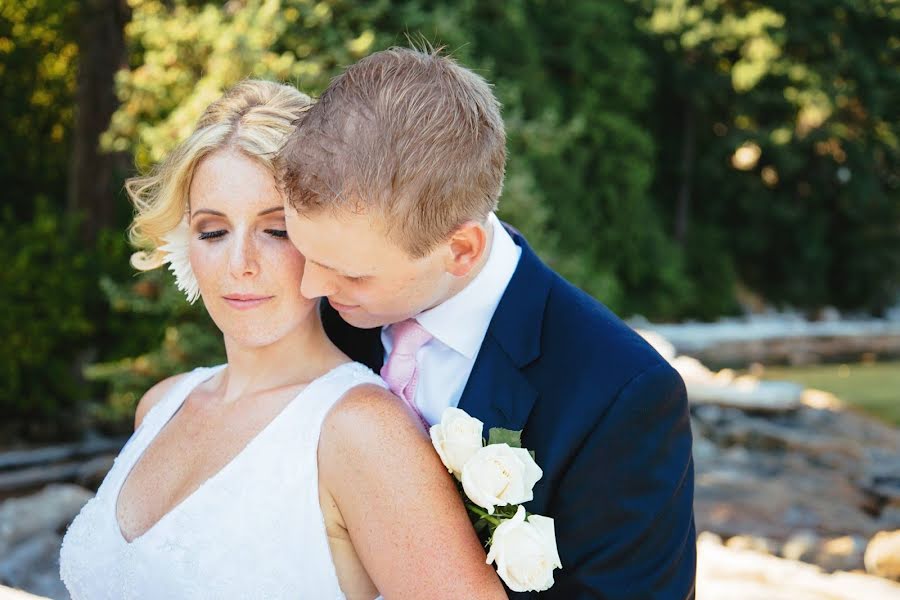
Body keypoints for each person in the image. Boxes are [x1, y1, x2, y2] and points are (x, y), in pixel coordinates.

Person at [58, 79, 506, 600]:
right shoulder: (161, 404)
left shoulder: (359, 430)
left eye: (276, 230)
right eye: (212, 231)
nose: (239, 264)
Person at [278, 48, 697, 599]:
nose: (309, 288)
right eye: (301, 248)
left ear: (460, 249)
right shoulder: (319, 322)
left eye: (349, 274)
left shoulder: (621, 396)